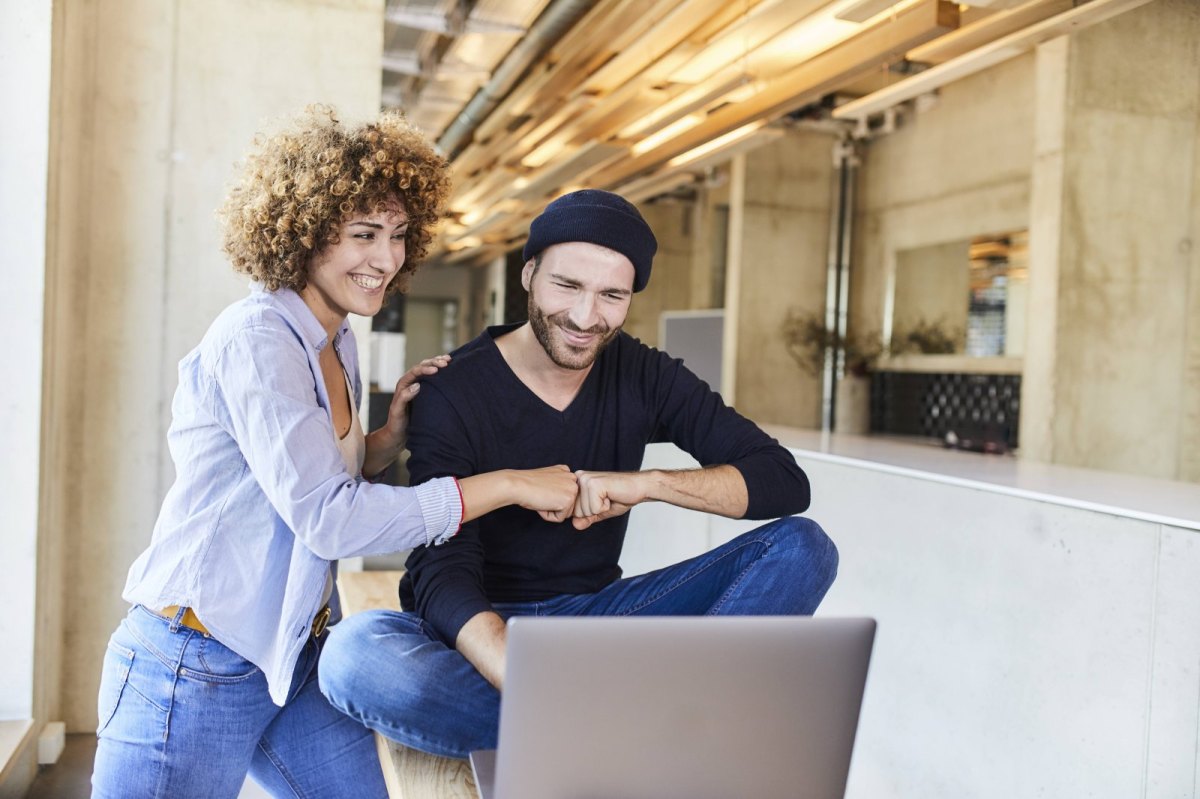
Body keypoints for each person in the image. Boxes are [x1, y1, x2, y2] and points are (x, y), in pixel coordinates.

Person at [90, 107, 578, 799]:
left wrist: (389, 437)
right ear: (304, 229)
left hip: (287, 655)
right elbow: (328, 519)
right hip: (193, 663)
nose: (386, 259)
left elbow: (313, 477)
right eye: (363, 234)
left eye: (400, 236)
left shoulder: (334, 337)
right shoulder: (258, 339)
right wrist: (506, 484)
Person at [318, 189, 839, 759]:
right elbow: (443, 567)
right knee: (354, 657)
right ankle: (651, 726)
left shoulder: (642, 372)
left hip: (596, 621)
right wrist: (522, 674)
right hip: (480, 628)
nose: (587, 317)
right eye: (567, 286)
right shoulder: (451, 387)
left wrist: (647, 486)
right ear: (530, 274)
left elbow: (782, 480)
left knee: (802, 548)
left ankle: (600, 722)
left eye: (611, 295)